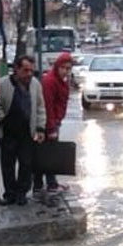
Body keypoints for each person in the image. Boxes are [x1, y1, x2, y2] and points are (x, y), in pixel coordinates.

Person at [0, 55, 46, 206]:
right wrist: (3, 119)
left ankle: (22, 193)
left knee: (26, 164)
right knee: (7, 165)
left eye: (31, 71)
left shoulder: (35, 84)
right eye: (25, 70)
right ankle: (10, 194)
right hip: (8, 133)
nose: (29, 74)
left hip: (27, 132)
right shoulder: (3, 84)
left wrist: (40, 128)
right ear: (16, 69)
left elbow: (40, 107)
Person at [33, 52, 72, 194]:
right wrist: (50, 128)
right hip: (49, 122)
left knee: (44, 153)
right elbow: (47, 106)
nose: (66, 71)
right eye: (63, 68)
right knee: (49, 154)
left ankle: (41, 185)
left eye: (68, 68)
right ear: (57, 67)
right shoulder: (50, 81)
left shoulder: (63, 80)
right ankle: (49, 184)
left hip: (55, 120)